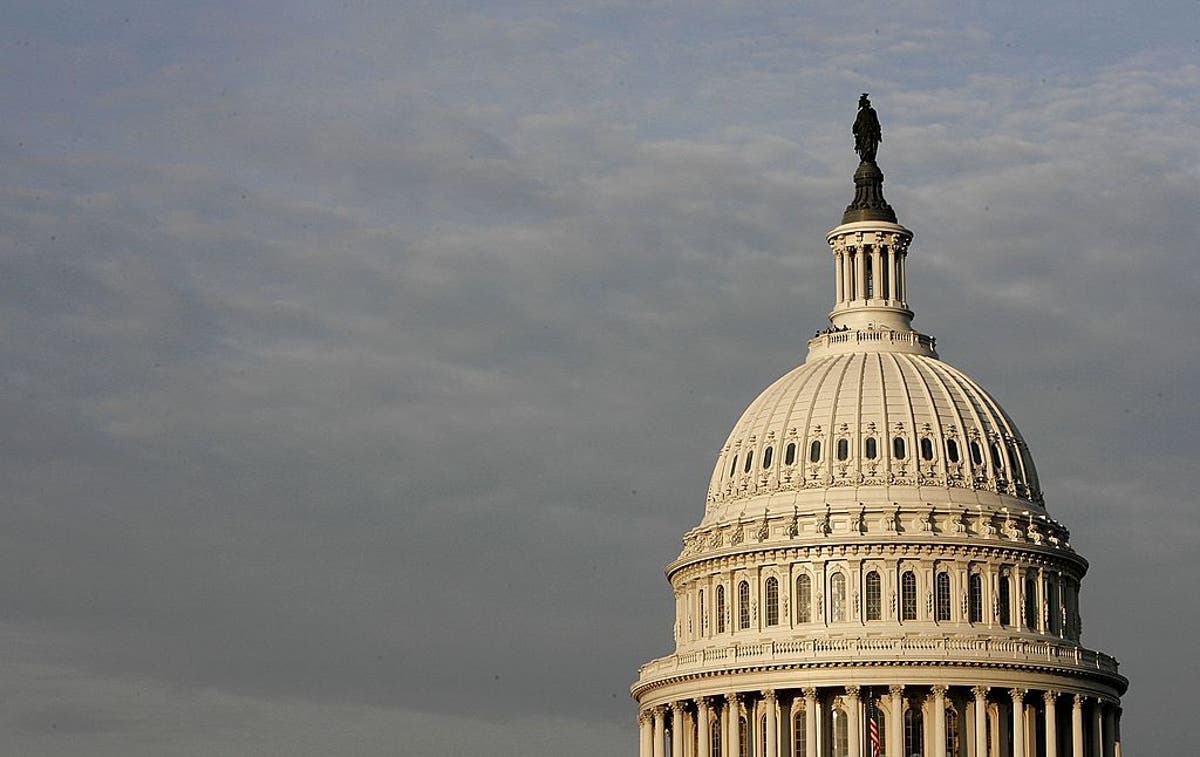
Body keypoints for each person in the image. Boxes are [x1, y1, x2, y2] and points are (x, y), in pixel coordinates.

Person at [853, 93, 882, 162]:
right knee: (864, 146)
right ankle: (865, 158)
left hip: (871, 132)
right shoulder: (861, 113)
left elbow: (876, 122)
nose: (868, 105)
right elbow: (856, 123)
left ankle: (870, 158)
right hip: (863, 133)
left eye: (868, 103)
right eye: (866, 103)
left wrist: (878, 133)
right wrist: (855, 131)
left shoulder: (872, 112)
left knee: (871, 145)